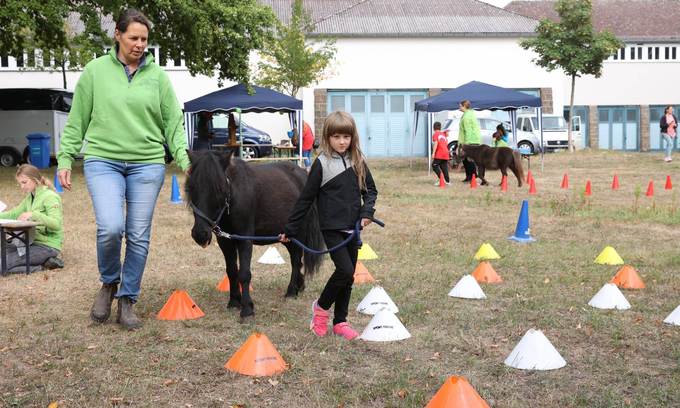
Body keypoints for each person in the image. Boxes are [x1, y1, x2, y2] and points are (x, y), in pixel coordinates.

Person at [57, 8, 191, 330]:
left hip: (147, 163)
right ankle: (108, 283)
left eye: (144, 39)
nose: (140, 44)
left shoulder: (158, 77)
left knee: (138, 234)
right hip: (103, 160)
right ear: (117, 35)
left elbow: (173, 123)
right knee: (111, 227)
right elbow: (77, 121)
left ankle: (128, 298)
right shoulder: (94, 72)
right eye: (133, 37)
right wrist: (65, 158)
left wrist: (186, 162)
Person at [279, 111, 378, 341]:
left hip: (353, 228)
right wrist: (290, 229)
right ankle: (321, 310)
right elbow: (305, 199)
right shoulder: (321, 164)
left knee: (349, 276)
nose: (342, 142)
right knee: (344, 271)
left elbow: (370, 191)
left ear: (352, 137)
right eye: (336, 137)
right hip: (332, 229)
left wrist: (367, 212)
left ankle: (340, 321)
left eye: (346, 136)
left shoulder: (358, 160)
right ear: (327, 137)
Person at [0, 164, 64, 273]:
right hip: (29, 242)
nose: (22, 187)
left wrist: (34, 214)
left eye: (24, 182)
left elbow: (56, 224)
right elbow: (14, 213)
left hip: (47, 246)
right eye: (20, 183)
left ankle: (41, 266)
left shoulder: (50, 196)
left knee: (2, 264)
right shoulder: (30, 197)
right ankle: (43, 262)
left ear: (35, 180)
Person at [457, 100, 481, 182]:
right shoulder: (468, 114)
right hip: (469, 140)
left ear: (464, 106)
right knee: (465, 160)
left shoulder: (467, 117)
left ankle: (473, 175)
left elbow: (468, 131)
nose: (459, 107)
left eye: (460, 106)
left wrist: (466, 144)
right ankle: (468, 176)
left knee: (469, 160)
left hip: (469, 141)